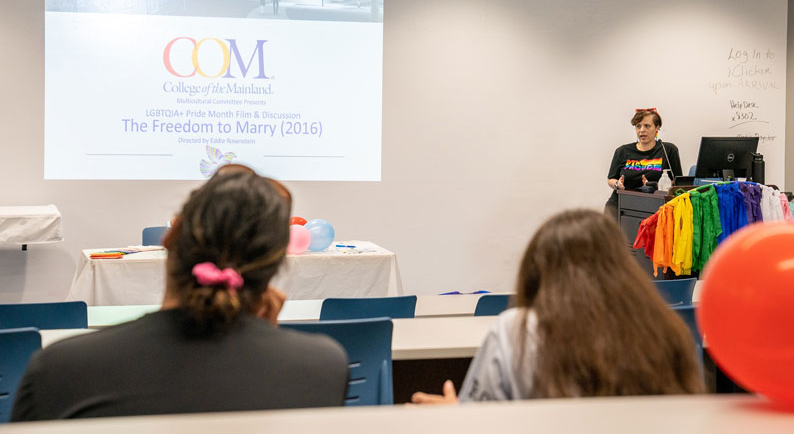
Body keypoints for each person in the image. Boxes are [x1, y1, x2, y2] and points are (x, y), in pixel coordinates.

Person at [11, 166, 348, 421]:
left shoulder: (62, 367)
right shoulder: (323, 366)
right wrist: (267, 340)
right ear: (276, 266)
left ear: (169, 242)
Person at [411, 209, 704, 403]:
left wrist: (455, 417)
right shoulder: (666, 332)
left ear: (536, 270)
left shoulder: (516, 331)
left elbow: (484, 422)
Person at [605, 108, 682, 216]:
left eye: (647, 126)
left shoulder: (668, 150)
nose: (641, 130)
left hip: (655, 205)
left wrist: (656, 185)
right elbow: (611, 179)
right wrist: (618, 184)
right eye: (638, 126)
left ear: (657, 128)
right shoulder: (622, 151)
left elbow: (677, 182)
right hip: (621, 204)